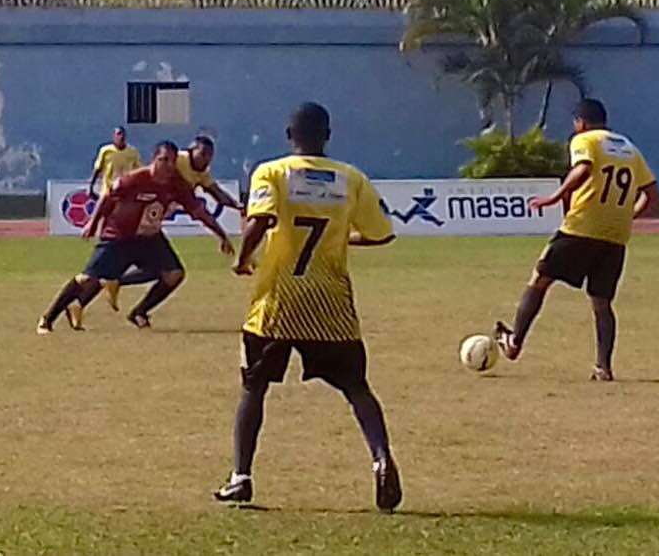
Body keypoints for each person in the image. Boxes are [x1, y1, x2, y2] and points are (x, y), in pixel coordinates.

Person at [213, 103, 402, 513]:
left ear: (289, 134)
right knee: (356, 387)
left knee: (254, 387)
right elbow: (382, 234)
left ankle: (241, 477)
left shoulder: (272, 172)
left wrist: (243, 259)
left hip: (277, 301)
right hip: (330, 301)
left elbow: (260, 220)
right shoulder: (351, 178)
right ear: (328, 135)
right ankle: (381, 457)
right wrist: (343, 238)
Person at [494, 99, 659, 382]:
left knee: (540, 280)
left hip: (580, 227)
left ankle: (514, 342)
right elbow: (652, 194)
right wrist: (626, 216)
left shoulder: (585, 140)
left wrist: (554, 197)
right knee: (602, 302)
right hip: (615, 235)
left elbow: (583, 169)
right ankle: (603, 367)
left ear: (581, 122)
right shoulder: (629, 148)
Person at [38, 141, 234, 334]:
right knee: (87, 279)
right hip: (119, 237)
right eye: (163, 159)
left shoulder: (177, 185)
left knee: (173, 274)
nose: (167, 165)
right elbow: (107, 197)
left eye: (171, 161)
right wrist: (93, 223)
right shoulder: (135, 179)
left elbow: (199, 211)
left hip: (149, 238)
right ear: (154, 159)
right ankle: (47, 319)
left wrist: (221, 235)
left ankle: (139, 312)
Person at [89, 127, 141, 200]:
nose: (121, 136)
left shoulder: (132, 152)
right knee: (102, 206)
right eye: (119, 134)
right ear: (114, 136)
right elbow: (97, 169)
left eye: (123, 134)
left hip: (125, 192)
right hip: (108, 190)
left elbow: (138, 171)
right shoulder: (105, 150)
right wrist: (91, 187)